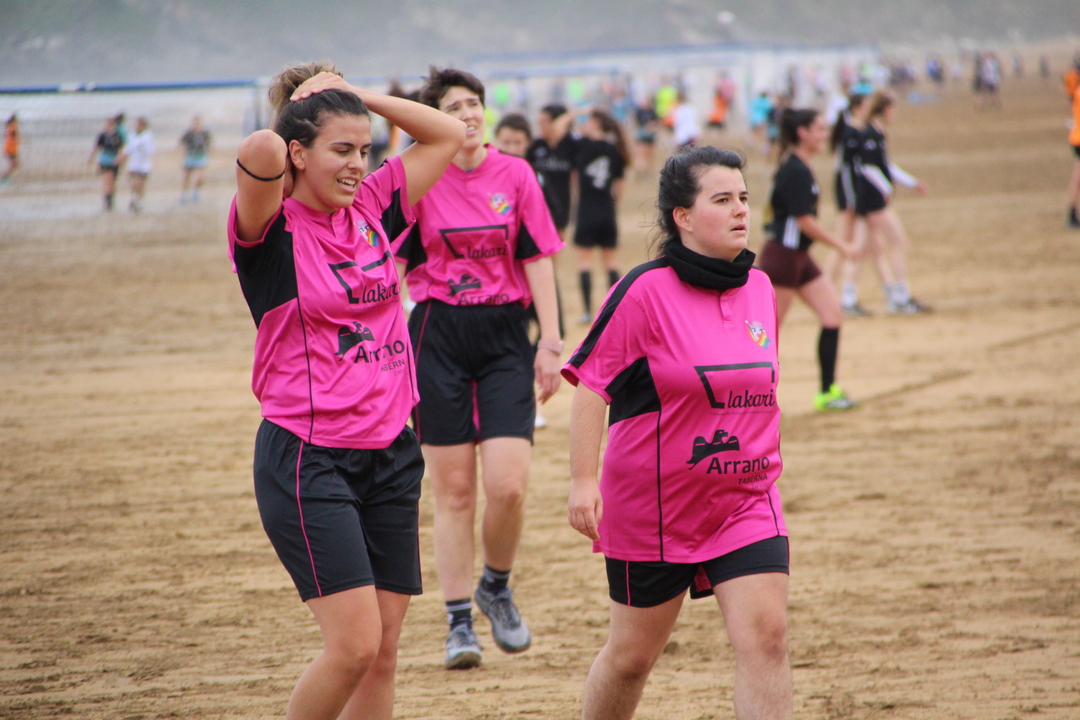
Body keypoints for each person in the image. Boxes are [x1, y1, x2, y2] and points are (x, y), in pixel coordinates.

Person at [227, 61, 464, 720]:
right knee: (354, 646)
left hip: (391, 450)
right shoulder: (270, 232)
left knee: (382, 653)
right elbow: (261, 149)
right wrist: (304, 104)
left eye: (365, 150)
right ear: (299, 154)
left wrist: (357, 96)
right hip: (310, 458)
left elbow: (446, 134)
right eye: (342, 150)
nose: (359, 164)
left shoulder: (373, 205)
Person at [565, 145, 793, 720]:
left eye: (743, 197)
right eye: (723, 199)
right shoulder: (644, 291)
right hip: (654, 507)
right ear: (683, 217)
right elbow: (592, 385)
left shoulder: (760, 288)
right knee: (631, 659)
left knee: (767, 638)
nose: (741, 209)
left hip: (746, 498)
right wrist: (582, 480)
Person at [394, 67, 563, 670]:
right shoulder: (417, 178)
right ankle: (459, 622)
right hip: (436, 334)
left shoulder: (515, 175)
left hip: (505, 336)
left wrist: (551, 343)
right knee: (455, 491)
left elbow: (539, 259)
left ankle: (496, 585)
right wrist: (386, 350)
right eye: (452, 108)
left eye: (473, 104)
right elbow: (392, 269)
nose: (467, 115)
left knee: (509, 486)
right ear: (433, 121)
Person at [757, 108, 859, 412]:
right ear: (802, 133)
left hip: (799, 257)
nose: (825, 135)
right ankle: (748, 398)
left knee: (832, 316)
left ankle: (827, 392)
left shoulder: (800, 165)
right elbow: (804, 222)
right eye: (820, 129)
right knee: (764, 337)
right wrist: (842, 246)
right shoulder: (795, 169)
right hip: (783, 258)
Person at [854, 91, 931, 313]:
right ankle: (901, 297)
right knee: (898, 242)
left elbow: (886, 166)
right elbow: (868, 168)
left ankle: (852, 296)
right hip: (873, 200)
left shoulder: (877, 132)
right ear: (886, 109)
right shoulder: (870, 133)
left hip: (871, 198)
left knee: (866, 249)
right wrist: (886, 188)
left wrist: (911, 183)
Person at [825, 94, 894, 317]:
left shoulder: (857, 131)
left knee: (874, 247)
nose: (869, 110)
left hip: (855, 195)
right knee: (843, 246)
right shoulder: (850, 133)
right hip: (850, 196)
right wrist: (851, 202)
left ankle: (891, 293)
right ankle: (829, 293)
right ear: (856, 108)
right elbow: (845, 172)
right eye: (865, 106)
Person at [569, 108, 629, 323]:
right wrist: (612, 206)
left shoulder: (581, 145)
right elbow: (619, 188)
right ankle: (614, 310)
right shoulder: (615, 150)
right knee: (611, 263)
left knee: (584, 263)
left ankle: (587, 312)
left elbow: (575, 181)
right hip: (607, 211)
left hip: (586, 210)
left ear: (596, 124)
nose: (584, 123)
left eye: (588, 121)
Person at [526, 103, 576, 238]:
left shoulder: (571, 145)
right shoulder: (535, 146)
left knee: (557, 243)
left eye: (544, 122)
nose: (540, 126)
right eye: (539, 122)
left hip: (561, 205)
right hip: (537, 205)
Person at [88, 116, 124, 211]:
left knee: (112, 182)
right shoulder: (102, 136)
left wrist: (119, 159)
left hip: (114, 161)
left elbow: (120, 149)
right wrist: (91, 159)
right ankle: (107, 201)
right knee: (106, 180)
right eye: (107, 124)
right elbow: (96, 148)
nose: (107, 126)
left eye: (110, 124)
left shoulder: (117, 136)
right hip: (104, 161)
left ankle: (110, 199)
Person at [122, 117, 154, 213]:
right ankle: (133, 198)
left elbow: (151, 150)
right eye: (136, 125)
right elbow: (128, 149)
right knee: (135, 182)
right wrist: (122, 158)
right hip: (134, 164)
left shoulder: (148, 136)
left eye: (139, 125)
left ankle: (139, 201)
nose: (137, 126)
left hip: (144, 164)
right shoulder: (132, 135)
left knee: (141, 184)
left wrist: (142, 147)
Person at [1064, 55, 1080, 229]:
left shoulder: (1076, 90)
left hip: (1076, 137)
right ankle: (1072, 214)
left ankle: (1072, 212)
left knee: (1077, 176)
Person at [180, 115, 211, 204]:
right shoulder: (188, 133)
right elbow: (182, 144)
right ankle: (184, 194)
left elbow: (209, 144)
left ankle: (195, 192)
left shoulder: (204, 133)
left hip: (200, 156)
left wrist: (208, 155)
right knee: (186, 176)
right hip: (190, 156)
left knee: (201, 177)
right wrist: (182, 155)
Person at [2, 114, 19, 185]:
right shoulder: (12, 128)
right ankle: (4, 178)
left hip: (10, 149)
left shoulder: (9, 128)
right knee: (14, 164)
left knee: (14, 164)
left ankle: (5, 178)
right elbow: (14, 138)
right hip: (11, 150)